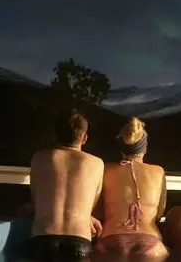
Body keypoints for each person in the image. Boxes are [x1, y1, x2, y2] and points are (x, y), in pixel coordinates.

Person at [29, 109, 105, 260]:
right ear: (84, 138)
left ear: (56, 135)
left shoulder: (39, 158)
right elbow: (90, 205)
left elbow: (36, 199)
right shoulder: (96, 164)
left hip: (43, 238)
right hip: (79, 240)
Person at [95, 117, 169, 259]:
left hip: (111, 239)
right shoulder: (158, 172)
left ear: (121, 147)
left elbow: (98, 211)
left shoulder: (106, 169)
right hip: (150, 242)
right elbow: (159, 213)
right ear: (144, 147)